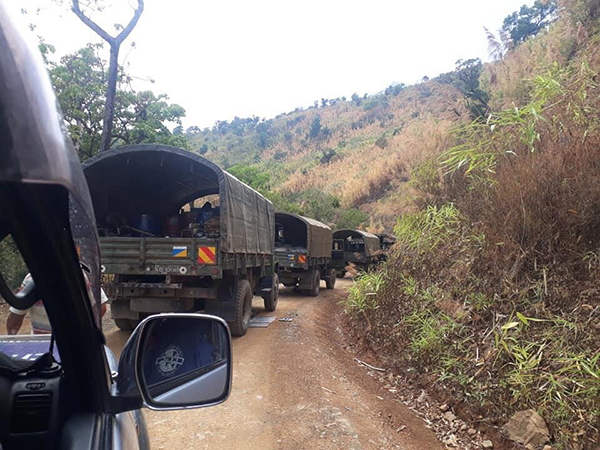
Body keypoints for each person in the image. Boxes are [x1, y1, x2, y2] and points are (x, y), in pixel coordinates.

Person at [6, 272, 108, 335]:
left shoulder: (31, 279)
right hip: (75, 346)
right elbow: (101, 308)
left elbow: (15, 318)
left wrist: (11, 340)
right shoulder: (79, 276)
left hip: (41, 346)